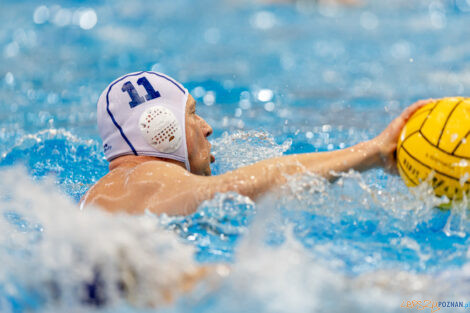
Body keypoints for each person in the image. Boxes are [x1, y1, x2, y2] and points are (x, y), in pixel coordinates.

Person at [80, 71, 432, 215]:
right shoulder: (151, 181)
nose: (207, 128)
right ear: (161, 126)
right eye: (192, 113)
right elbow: (234, 188)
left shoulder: (96, 194)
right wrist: (373, 152)